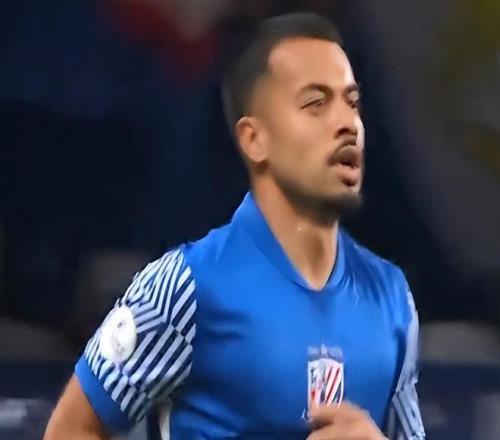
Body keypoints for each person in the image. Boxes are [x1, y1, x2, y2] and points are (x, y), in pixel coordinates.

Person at [44, 12, 425, 440]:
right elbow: (70, 430)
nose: (347, 124)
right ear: (254, 139)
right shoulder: (185, 285)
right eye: (315, 104)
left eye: (352, 103)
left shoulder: (391, 296)